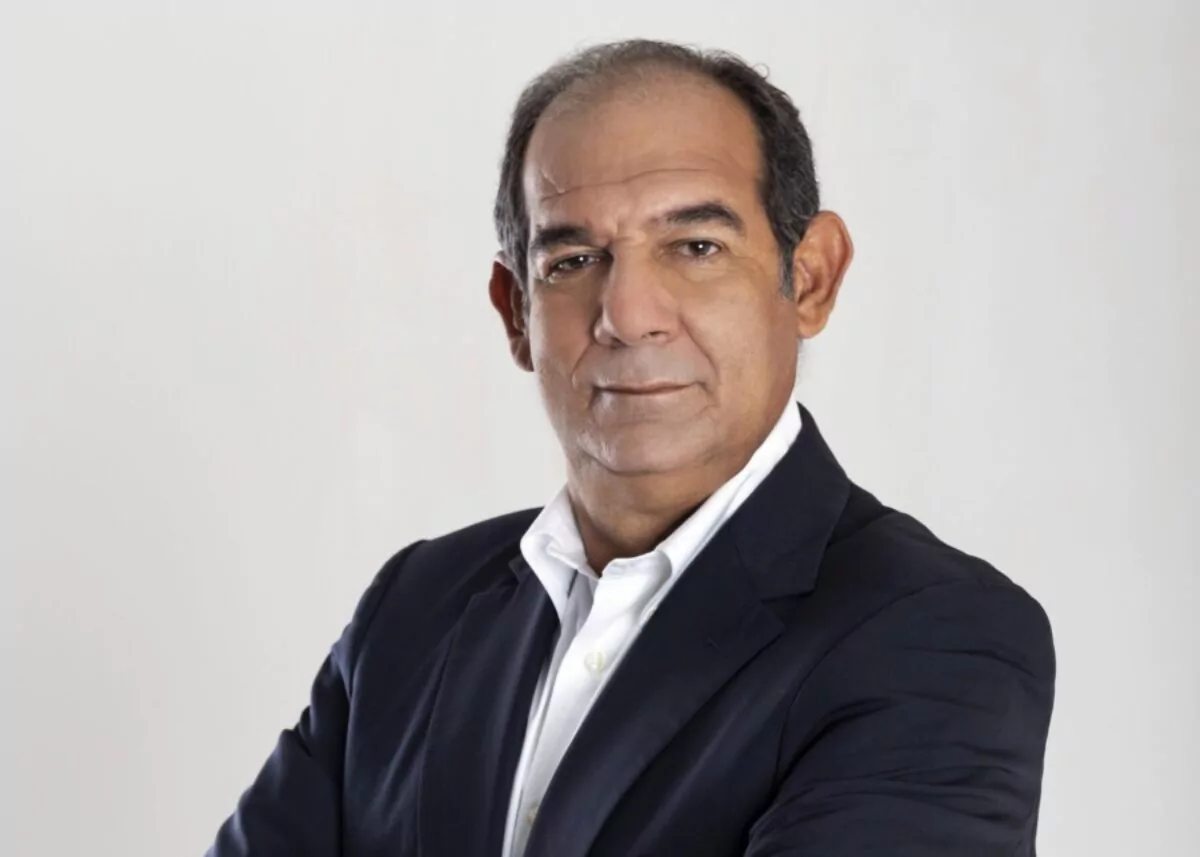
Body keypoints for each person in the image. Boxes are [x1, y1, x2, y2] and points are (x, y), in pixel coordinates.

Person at [207, 39, 1055, 857]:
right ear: (515, 312)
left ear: (810, 277)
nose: (628, 314)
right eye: (574, 259)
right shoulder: (415, 610)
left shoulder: (936, 636)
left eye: (696, 247)